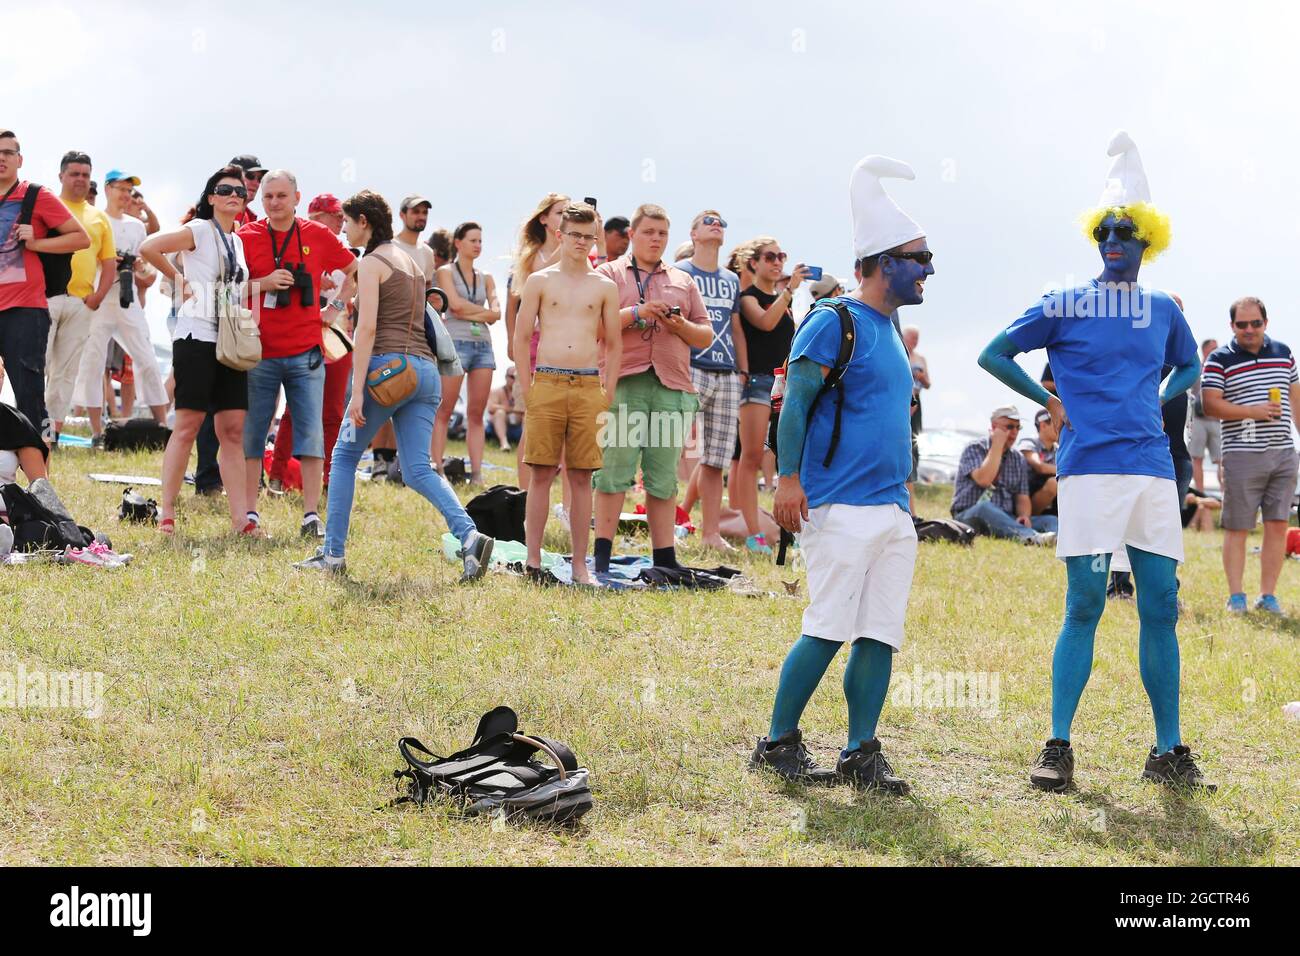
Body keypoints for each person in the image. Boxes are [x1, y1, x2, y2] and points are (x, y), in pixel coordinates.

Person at [976, 130, 1210, 791]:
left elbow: (1189, 362)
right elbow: (994, 351)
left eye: (1126, 229)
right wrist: (1050, 405)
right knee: (1084, 605)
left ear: (1147, 239)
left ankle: (1169, 752)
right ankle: (1057, 746)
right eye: (1105, 228)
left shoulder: (1163, 309)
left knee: (1160, 606)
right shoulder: (1065, 301)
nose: (1114, 238)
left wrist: (1162, 395)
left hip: (1152, 474)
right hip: (1088, 471)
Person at [754, 155, 933, 792]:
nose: (928, 269)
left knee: (879, 634)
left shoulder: (891, 330)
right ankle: (776, 742)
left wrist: (905, 496)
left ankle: (861, 751)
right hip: (835, 505)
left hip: (890, 509)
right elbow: (795, 403)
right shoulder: (835, 321)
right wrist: (788, 480)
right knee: (828, 629)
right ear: (885, 261)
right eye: (919, 257)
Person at [295, 190, 493, 581]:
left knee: (345, 456)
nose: (345, 230)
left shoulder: (371, 262)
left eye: (348, 222)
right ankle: (469, 536)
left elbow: (367, 328)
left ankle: (332, 554)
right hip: (425, 373)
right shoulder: (413, 262)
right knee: (419, 468)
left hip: (388, 370)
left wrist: (356, 391)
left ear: (364, 222)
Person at [237, 170, 358, 538]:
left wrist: (334, 308)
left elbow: (355, 271)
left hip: (306, 350)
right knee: (254, 431)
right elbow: (225, 287)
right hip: (258, 350)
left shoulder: (318, 235)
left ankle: (310, 515)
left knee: (311, 431)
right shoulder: (246, 236)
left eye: (281, 196)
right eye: (268, 197)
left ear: (296, 198)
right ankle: (250, 512)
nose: (274, 203)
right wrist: (265, 283)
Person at [592, 203, 711, 573]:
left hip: (672, 386)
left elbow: (705, 335)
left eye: (661, 233)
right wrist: (637, 314)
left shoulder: (683, 281)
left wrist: (679, 327)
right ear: (631, 235)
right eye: (648, 232)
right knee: (614, 471)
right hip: (623, 382)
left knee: (662, 478)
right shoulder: (608, 274)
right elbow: (594, 325)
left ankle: (666, 560)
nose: (655, 239)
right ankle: (601, 558)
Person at [139, 165, 257, 536]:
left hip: (229, 339)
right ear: (210, 197)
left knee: (233, 430)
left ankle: (242, 520)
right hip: (196, 337)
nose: (233, 195)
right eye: (224, 190)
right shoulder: (200, 230)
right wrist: (178, 280)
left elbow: (236, 287)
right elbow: (148, 246)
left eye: (239, 191)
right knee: (188, 425)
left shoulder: (237, 240)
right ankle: (168, 514)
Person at [513, 202, 621, 584]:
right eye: (574, 234)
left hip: (588, 385)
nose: (580, 242)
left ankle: (580, 564)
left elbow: (614, 343)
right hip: (548, 382)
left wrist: (606, 391)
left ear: (596, 239)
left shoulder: (604, 286)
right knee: (540, 473)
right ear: (560, 235)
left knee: (581, 478)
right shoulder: (540, 280)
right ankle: (533, 560)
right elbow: (521, 335)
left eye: (588, 236)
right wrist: (528, 390)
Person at [1201, 296, 1299, 614]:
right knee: (1237, 527)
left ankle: (1267, 596)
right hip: (1242, 454)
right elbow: (1210, 404)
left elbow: (1296, 402)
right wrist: (1253, 412)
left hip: (1284, 452)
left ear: (1265, 323)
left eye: (1255, 323)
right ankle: (1236, 597)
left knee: (1277, 524)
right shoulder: (1219, 359)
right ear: (1232, 326)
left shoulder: (1284, 353)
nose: (1249, 330)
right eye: (1241, 324)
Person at [70, 169, 170, 445]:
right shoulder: (94, 220)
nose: (126, 195)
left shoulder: (137, 227)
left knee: (147, 359)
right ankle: (96, 432)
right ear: (107, 189)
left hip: (127, 300)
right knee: (92, 363)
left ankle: (162, 426)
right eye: (121, 189)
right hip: (99, 300)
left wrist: (135, 267)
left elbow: (147, 274)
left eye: (129, 190)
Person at [0, 132, 91, 439]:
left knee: (30, 401)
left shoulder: (35, 195)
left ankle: (42, 484)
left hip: (25, 309)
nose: (2, 158)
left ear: (19, 160)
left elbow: (81, 238)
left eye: (8, 153)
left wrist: (36, 243)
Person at [267, 192, 355, 495]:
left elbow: (356, 278)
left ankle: (329, 481)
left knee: (332, 411)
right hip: (302, 333)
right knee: (295, 409)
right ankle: (277, 477)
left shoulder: (343, 249)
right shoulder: (297, 242)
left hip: (336, 335)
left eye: (344, 217)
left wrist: (337, 308)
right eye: (337, 215)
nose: (342, 222)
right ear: (318, 216)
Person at [676, 211, 743, 551]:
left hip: (727, 370)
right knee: (671, 447)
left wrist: (741, 370)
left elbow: (735, 326)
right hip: (691, 365)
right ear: (693, 233)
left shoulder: (732, 279)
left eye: (721, 222)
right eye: (708, 220)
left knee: (717, 458)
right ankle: (669, 526)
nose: (717, 224)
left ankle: (711, 534)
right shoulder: (681, 272)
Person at [734, 236, 805, 553]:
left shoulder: (784, 301)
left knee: (784, 455)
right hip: (757, 383)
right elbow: (764, 322)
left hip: (782, 385)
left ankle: (789, 531)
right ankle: (753, 533)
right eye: (770, 257)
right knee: (749, 458)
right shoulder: (748, 297)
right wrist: (789, 292)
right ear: (754, 263)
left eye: (782, 256)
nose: (778, 262)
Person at [43, 150, 116, 443]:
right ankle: (26, 430)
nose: (80, 180)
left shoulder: (99, 217)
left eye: (85, 175)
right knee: (38, 367)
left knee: (66, 373)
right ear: (61, 176)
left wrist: (97, 296)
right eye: (74, 174)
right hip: (44, 299)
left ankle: (51, 436)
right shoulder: (48, 206)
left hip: (81, 303)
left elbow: (108, 262)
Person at [507, 193, 569, 482]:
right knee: (532, 423)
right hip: (534, 346)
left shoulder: (576, 255)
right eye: (561, 213)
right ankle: (523, 495)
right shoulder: (534, 256)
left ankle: (567, 505)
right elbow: (537, 280)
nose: (566, 219)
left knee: (568, 428)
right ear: (544, 218)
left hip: (567, 347)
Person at [433, 221, 500, 484]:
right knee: (444, 409)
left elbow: (497, 312)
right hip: (456, 343)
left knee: (476, 412)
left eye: (480, 241)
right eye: (473, 240)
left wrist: (474, 311)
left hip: (483, 345)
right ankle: (437, 469)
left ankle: (477, 474)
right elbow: (455, 306)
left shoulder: (487, 277)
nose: (478, 245)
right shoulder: (446, 271)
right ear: (458, 243)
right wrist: (482, 313)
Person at [950, 406, 1057, 543]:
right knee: (985, 508)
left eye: (1018, 428)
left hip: (1007, 518)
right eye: (1009, 427)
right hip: (969, 514)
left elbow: (1022, 497)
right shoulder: (975, 448)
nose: (1014, 432)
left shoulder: (1017, 458)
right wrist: (997, 445)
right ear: (994, 427)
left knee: (1049, 520)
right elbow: (984, 480)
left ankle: (1059, 539)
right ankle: (1031, 537)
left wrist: (1024, 516)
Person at [1187, 337, 1223, 494]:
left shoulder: (1221, 370)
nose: (1216, 351)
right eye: (1213, 348)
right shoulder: (1197, 368)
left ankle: (1224, 492)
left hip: (1216, 419)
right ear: (1204, 351)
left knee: (1222, 460)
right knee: (1197, 458)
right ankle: (1200, 492)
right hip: (1198, 419)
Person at [1018, 407, 1059, 516]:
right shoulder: (1029, 442)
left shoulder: (1058, 449)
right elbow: (1040, 466)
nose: (1060, 426)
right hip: (1025, 497)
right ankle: (1030, 518)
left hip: (1050, 503)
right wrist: (1066, 471)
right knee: (1054, 483)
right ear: (1043, 425)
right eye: (1056, 422)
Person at [486, 366, 524, 451]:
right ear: (506, 377)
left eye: (517, 377)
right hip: (499, 426)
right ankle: (504, 443)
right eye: (512, 377)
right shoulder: (497, 391)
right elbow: (491, 408)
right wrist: (512, 409)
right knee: (500, 413)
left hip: (518, 427)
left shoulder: (522, 393)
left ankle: (525, 446)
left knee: (527, 415)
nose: (515, 380)